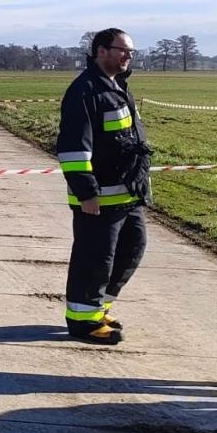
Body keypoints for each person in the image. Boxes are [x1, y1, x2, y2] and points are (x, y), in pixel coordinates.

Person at [56, 28, 153, 344]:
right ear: (100, 51)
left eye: (131, 52)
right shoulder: (84, 91)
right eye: (122, 50)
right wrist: (86, 192)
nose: (128, 56)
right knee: (94, 259)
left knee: (132, 250)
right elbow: (73, 149)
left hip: (129, 194)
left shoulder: (117, 86)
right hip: (99, 198)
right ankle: (83, 322)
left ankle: (97, 307)